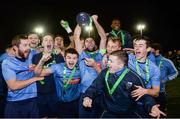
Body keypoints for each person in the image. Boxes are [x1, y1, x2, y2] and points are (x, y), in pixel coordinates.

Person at [83, 50, 166, 118]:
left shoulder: (133, 78)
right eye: (108, 60)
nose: (107, 63)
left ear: (121, 64)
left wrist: (152, 107)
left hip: (128, 113)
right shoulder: (105, 73)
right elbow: (94, 87)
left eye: (111, 61)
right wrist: (88, 97)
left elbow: (144, 96)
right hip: (109, 112)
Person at [1, 34, 44, 118]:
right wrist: (34, 79)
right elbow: (13, 86)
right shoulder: (7, 62)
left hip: (33, 100)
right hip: (15, 102)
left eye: (28, 45)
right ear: (15, 48)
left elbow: (46, 50)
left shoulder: (31, 53)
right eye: (25, 45)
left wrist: (55, 50)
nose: (28, 48)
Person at [74, 14, 107, 117]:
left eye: (92, 40)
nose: (90, 42)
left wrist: (94, 20)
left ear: (95, 43)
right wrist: (81, 22)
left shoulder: (100, 54)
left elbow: (103, 37)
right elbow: (76, 37)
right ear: (84, 44)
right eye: (87, 41)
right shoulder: (81, 54)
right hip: (85, 92)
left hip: (99, 92)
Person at [34, 48, 81, 118]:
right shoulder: (57, 67)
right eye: (69, 58)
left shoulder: (81, 68)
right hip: (62, 104)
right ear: (64, 58)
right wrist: (42, 61)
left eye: (74, 58)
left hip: (77, 102)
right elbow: (37, 74)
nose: (71, 60)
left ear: (77, 59)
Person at [32, 33, 64, 118]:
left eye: (50, 40)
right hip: (40, 93)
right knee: (43, 116)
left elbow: (61, 72)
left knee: (54, 116)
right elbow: (35, 74)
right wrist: (42, 61)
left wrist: (40, 71)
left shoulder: (58, 57)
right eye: (46, 40)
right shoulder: (36, 56)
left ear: (53, 44)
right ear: (42, 44)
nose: (48, 42)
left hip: (55, 92)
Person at [128, 35, 161, 117]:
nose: (137, 48)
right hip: (124, 100)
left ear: (148, 49)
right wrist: (106, 55)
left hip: (142, 103)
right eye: (135, 45)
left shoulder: (154, 69)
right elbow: (113, 53)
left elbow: (156, 92)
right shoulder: (127, 59)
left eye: (140, 46)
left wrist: (145, 91)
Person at [151, 43, 178, 116]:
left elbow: (175, 72)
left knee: (161, 112)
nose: (149, 51)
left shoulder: (167, 61)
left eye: (151, 49)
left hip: (160, 91)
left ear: (157, 50)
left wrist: (166, 79)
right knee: (150, 113)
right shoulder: (148, 60)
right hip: (148, 91)